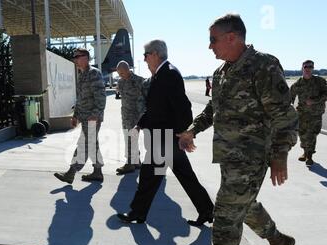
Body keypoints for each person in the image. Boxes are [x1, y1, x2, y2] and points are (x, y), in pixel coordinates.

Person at [177, 14, 298, 245]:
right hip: (229, 157)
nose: (210, 47)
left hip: (252, 157)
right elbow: (213, 110)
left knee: (226, 210)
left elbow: (285, 116)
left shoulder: (263, 66)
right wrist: (192, 130)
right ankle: (279, 241)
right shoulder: (221, 73)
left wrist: (280, 155)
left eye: (213, 40)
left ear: (232, 37)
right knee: (244, 206)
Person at [117, 40, 215, 227]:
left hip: (166, 138)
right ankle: (206, 210)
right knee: (176, 176)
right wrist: (140, 124)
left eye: (145, 55)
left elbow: (184, 109)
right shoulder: (160, 74)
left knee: (150, 177)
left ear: (155, 54)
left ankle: (138, 213)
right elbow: (155, 108)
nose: (144, 59)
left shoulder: (169, 74)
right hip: (164, 138)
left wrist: (182, 135)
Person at [54, 48, 106, 184]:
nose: (75, 60)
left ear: (86, 58)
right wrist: (76, 115)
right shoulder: (82, 75)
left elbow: (101, 97)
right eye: (74, 57)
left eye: (78, 57)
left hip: (92, 117)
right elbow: (80, 98)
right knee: (92, 144)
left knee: (84, 144)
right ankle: (98, 172)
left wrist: (95, 114)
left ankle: (71, 173)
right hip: (85, 117)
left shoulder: (94, 73)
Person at [290, 60, 327, 166]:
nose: (308, 69)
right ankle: (305, 152)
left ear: (312, 68)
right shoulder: (298, 84)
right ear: (302, 68)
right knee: (302, 134)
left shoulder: (319, 81)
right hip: (302, 114)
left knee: (312, 134)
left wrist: (315, 101)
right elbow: (289, 97)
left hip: (316, 113)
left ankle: (309, 156)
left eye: (310, 67)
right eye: (306, 67)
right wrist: (290, 108)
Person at [116, 60, 146, 175]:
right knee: (128, 137)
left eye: (122, 73)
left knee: (130, 138)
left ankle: (129, 163)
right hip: (125, 114)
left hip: (137, 115)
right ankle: (136, 161)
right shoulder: (120, 82)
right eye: (119, 73)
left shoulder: (140, 81)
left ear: (128, 69)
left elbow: (147, 96)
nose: (120, 75)